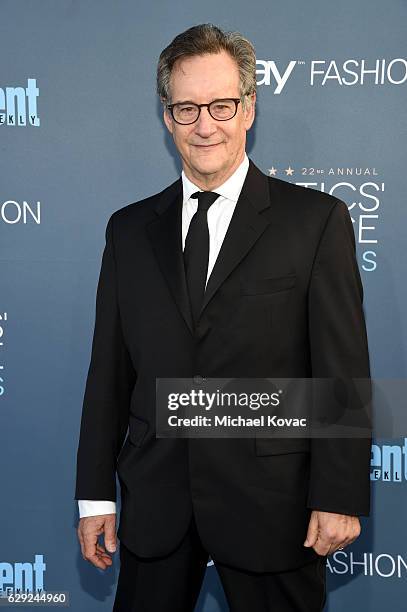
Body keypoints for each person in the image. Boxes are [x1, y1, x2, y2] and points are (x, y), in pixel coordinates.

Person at [75, 23, 371, 612]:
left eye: (221, 105)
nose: (204, 124)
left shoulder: (314, 222)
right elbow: (108, 372)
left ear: (249, 108)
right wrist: (94, 497)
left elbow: (341, 373)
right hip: (157, 503)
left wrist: (338, 493)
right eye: (187, 108)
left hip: (273, 507)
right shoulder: (128, 231)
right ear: (167, 117)